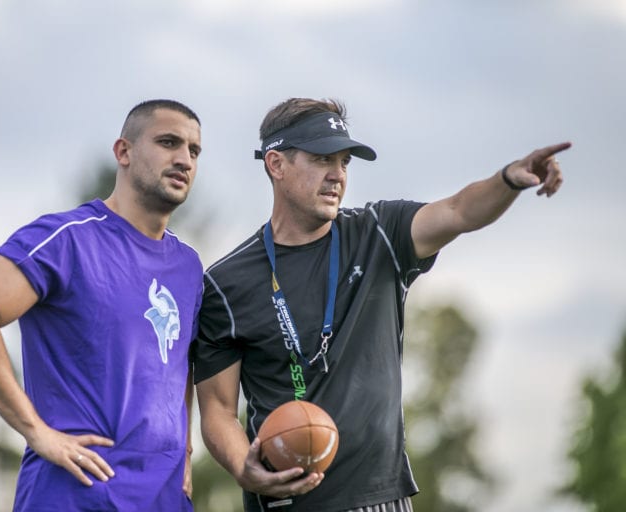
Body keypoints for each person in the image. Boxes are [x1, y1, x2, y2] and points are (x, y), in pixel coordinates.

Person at [193, 97, 569, 511]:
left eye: (344, 163)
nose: (337, 175)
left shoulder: (379, 234)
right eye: (322, 159)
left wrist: (509, 179)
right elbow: (218, 409)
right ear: (276, 164)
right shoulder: (225, 283)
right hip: (285, 502)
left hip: (380, 497)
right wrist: (242, 467)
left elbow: (459, 211)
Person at [0, 99, 204, 511]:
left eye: (193, 150)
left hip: (164, 499)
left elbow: (178, 362)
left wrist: (184, 450)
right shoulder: (68, 239)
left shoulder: (188, 266)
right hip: (76, 492)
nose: (184, 159)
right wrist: (36, 432)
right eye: (168, 142)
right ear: (124, 152)